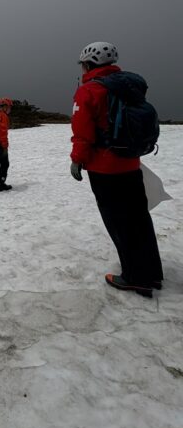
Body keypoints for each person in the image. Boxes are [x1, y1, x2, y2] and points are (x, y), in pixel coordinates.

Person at [70, 41, 163, 297]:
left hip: (104, 167)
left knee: (119, 222)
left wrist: (77, 160)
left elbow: (83, 132)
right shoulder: (128, 85)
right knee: (138, 218)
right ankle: (152, 272)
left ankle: (136, 277)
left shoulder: (90, 90)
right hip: (131, 162)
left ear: (89, 64)